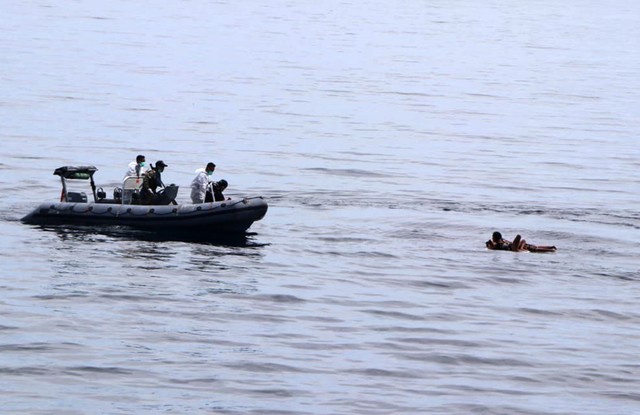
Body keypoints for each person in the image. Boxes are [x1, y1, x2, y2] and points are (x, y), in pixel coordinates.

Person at [486, 231, 557, 253]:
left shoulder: (500, 241)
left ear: (495, 237)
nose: (492, 238)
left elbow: (490, 243)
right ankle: (551, 249)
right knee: (534, 248)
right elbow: (490, 243)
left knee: (533, 247)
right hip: (513, 248)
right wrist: (489, 243)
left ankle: (551, 248)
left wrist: (489, 243)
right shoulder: (495, 245)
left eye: (493, 236)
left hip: (514, 247)